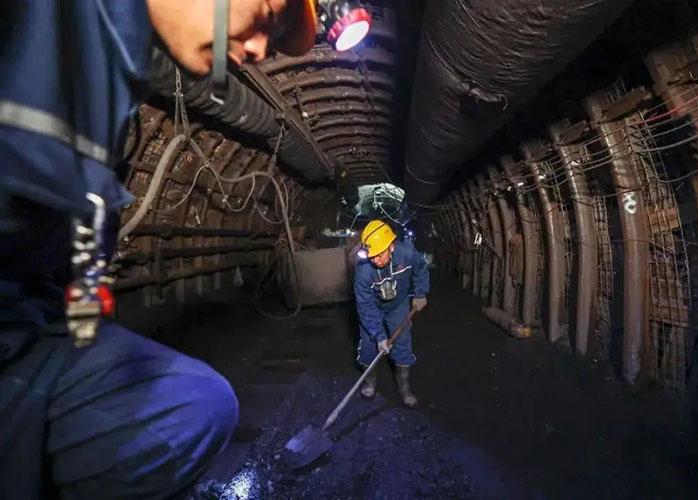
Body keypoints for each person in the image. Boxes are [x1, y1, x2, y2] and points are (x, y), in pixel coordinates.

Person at [0, 1, 318, 498]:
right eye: (266, 12)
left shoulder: (109, 66)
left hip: (35, 324)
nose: (261, 48)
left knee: (196, 404)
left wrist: (82, 314)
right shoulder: (48, 22)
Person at [354, 219, 430, 408]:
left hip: (398, 305)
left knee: (402, 342)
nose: (375, 260)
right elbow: (365, 306)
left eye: (380, 254)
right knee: (368, 345)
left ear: (392, 247)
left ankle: (404, 386)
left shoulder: (407, 253)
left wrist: (420, 293)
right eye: (371, 256)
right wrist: (379, 336)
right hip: (374, 307)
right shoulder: (363, 271)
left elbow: (421, 267)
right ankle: (370, 381)